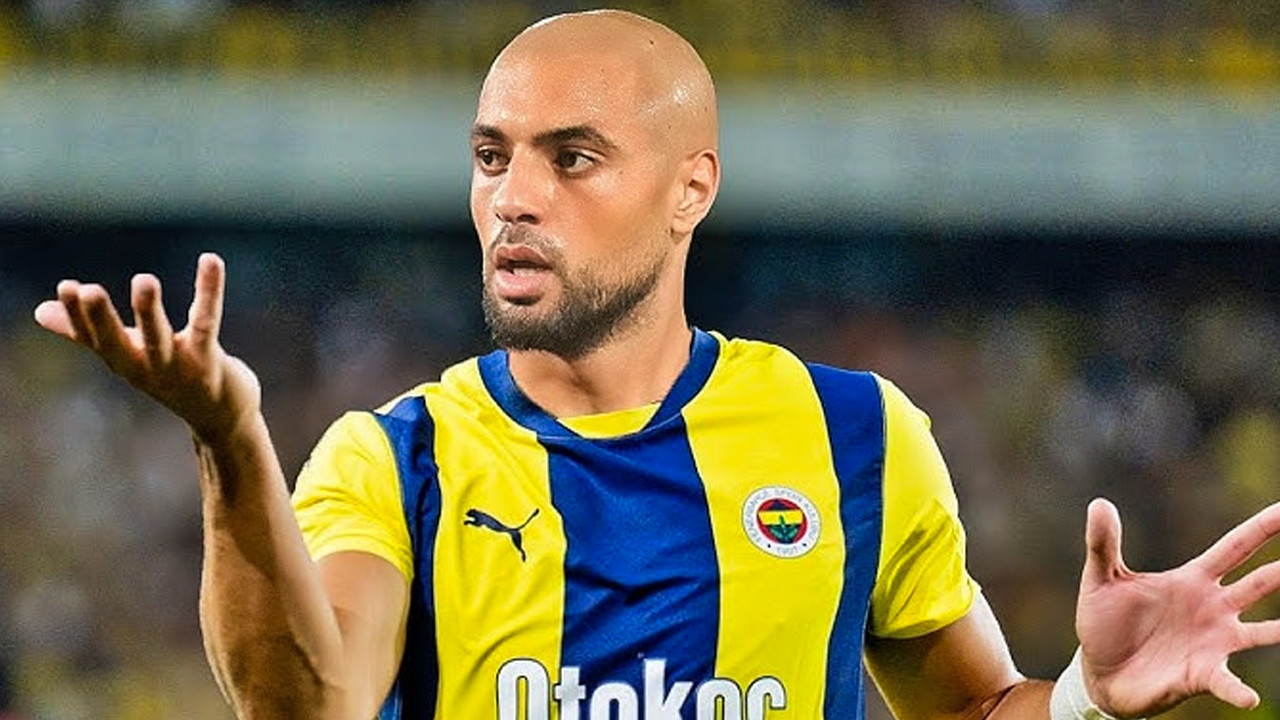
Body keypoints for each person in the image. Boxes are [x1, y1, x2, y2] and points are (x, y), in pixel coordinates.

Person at [31, 9, 1280, 720]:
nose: (513, 197)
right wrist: (228, 442)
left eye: (570, 158)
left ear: (691, 190)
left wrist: (1081, 699)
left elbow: (967, 709)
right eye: (491, 156)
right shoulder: (394, 461)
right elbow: (305, 708)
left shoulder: (854, 436)